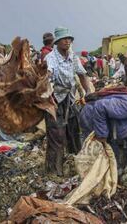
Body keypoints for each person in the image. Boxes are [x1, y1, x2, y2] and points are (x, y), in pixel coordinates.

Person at [43, 26, 93, 175]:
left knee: (73, 132)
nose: (67, 41)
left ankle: (75, 165)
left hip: (69, 98)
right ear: (57, 42)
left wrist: (87, 92)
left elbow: (82, 74)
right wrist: (49, 93)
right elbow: (48, 75)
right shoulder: (50, 58)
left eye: (69, 39)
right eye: (64, 39)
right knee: (56, 135)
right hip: (54, 99)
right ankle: (54, 172)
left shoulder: (72, 56)